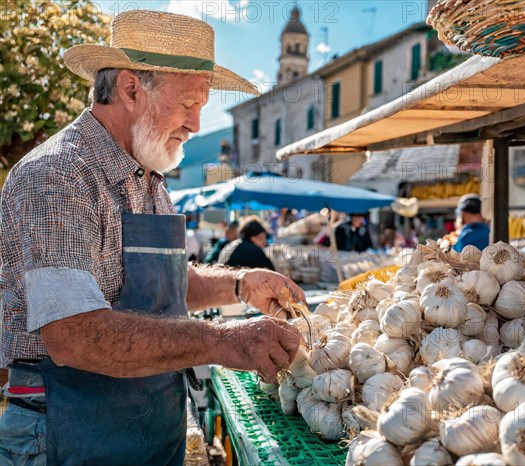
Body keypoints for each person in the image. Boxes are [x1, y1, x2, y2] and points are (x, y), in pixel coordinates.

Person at [0, 10, 303, 465]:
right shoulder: (57, 176)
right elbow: (73, 334)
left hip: (144, 426)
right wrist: (223, 340)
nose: (198, 124)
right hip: (68, 431)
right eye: (189, 104)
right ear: (129, 89)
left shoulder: (149, 177)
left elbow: (162, 287)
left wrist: (241, 285)